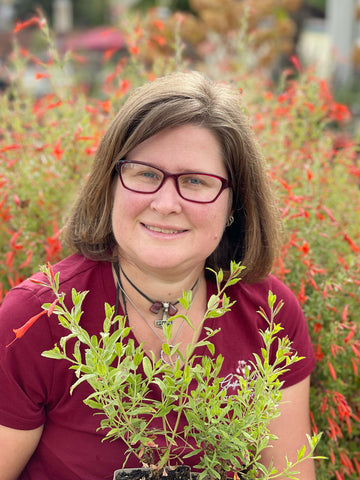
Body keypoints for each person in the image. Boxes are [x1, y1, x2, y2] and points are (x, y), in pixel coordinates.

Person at [0, 71, 316, 480]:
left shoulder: (270, 318)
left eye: (196, 182)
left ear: (234, 203)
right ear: (111, 183)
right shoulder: (37, 318)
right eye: (145, 173)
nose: (166, 203)